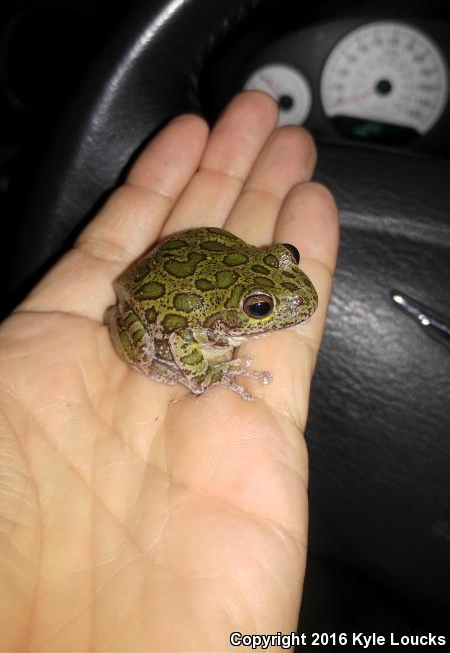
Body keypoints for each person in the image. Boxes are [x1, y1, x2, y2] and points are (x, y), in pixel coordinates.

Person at [0, 91, 338, 652]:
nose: (296, 296)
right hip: (149, 312)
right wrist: (202, 372)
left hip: (196, 264)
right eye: (261, 308)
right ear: (240, 313)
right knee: (162, 344)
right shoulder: (207, 324)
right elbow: (183, 335)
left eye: (288, 259)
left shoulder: (254, 270)